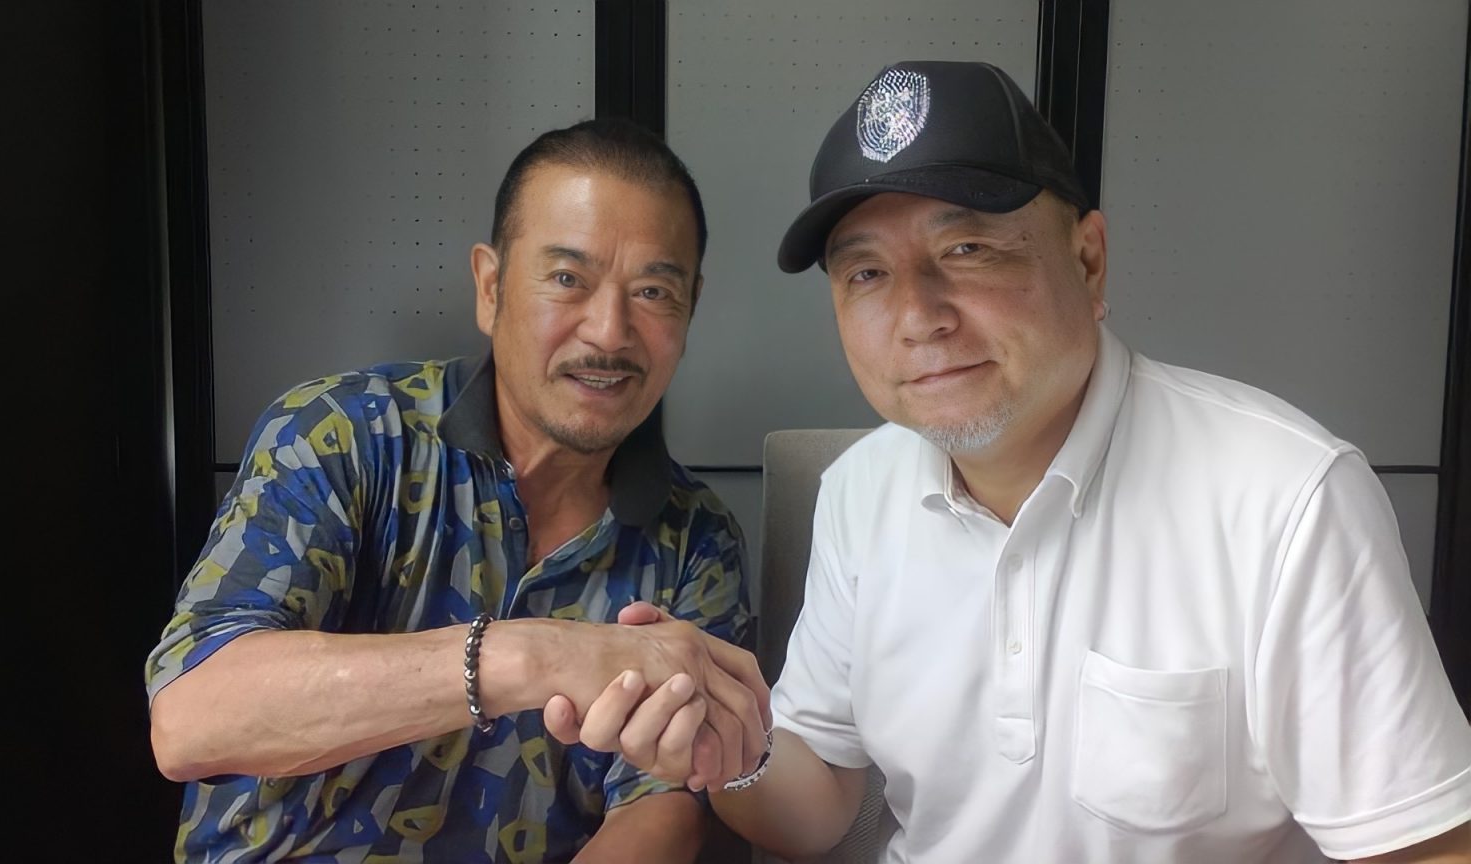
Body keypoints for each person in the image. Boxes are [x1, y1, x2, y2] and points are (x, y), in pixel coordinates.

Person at [552, 62, 1471, 862]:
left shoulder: (1285, 498)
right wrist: (732, 751)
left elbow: (1428, 844)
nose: (919, 316)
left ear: (1089, 261)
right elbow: (820, 803)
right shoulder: (860, 493)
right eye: (866, 272)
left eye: (968, 249)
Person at [145, 117, 771, 864]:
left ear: (690, 309)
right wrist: (529, 657)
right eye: (567, 279)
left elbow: (660, 804)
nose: (609, 332)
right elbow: (191, 719)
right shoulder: (346, 434)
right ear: (490, 286)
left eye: (653, 291)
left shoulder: (695, 536)